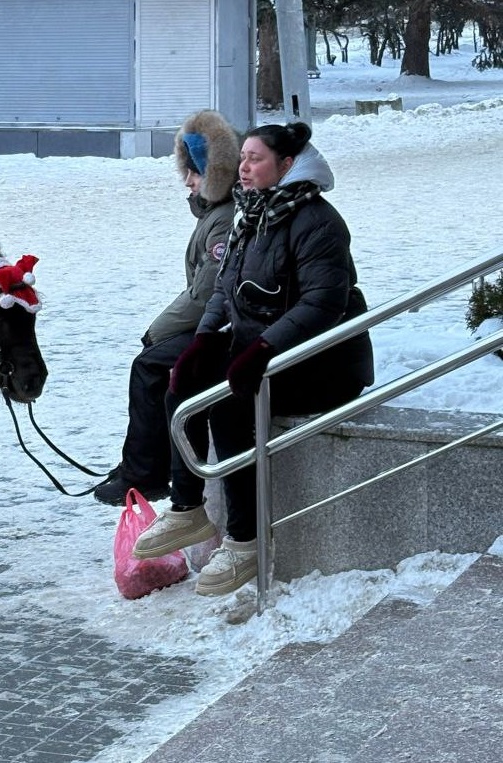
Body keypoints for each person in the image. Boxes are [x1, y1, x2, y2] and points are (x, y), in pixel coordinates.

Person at [133, 122, 374, 596]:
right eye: (242, 157)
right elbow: (225, 287)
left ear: (286, 166)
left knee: (227, 404)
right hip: (262, 347)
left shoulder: (317, 221)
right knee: (180, 382)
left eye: (255, 159)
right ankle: (187, 510)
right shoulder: (252, 213)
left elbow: (322, 303)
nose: (243, 168)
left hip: (320, 359)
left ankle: (244, 542)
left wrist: (261, 350)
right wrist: (203, 341)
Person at [93, 110, 240, 506]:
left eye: (194, 173)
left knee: (150, 365)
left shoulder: (223, 219)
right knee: (155, 362)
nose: (188, 182)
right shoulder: (214, 214)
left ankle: (143, 473)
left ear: (215, 173)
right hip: (221, 323)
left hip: (229, 330)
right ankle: (138, 466)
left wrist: (157, 330)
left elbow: (206, 292)